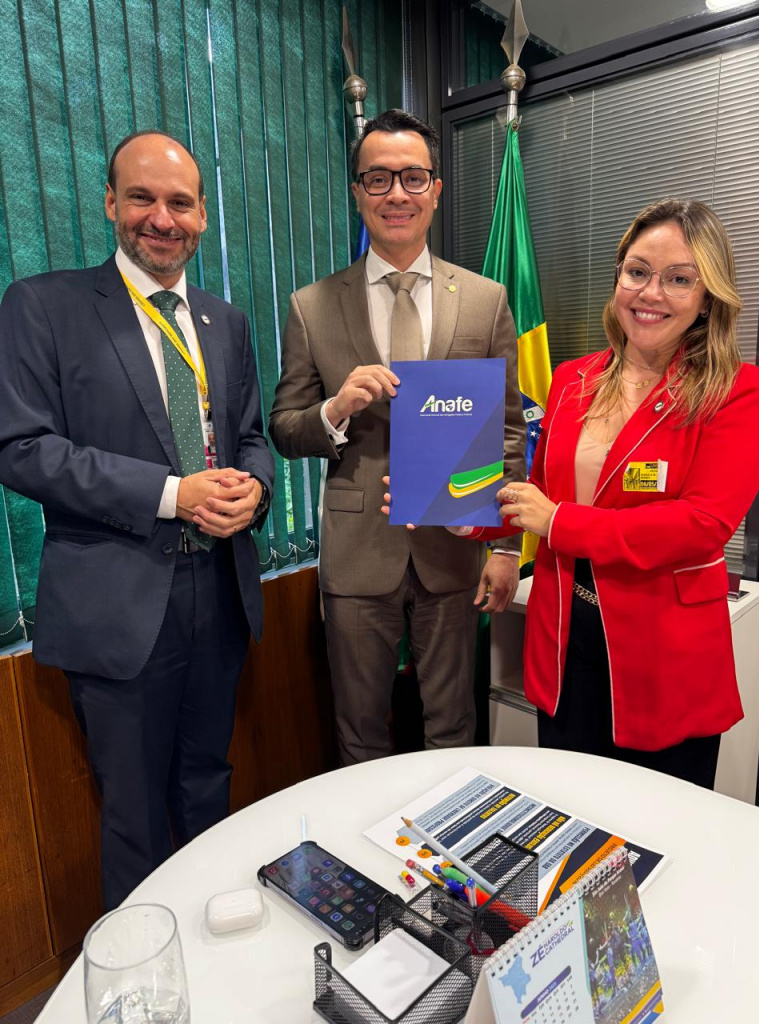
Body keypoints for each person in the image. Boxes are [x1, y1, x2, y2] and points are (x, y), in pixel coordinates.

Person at [0, 131, 274, 908]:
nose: (162, 218)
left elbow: (250, 437)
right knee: (134, 814)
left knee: (208, 783)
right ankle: (147, 960)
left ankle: (216, 940)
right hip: (118, 607)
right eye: (142, 198)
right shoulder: (43, 306)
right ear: (110, 203)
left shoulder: (226, 321)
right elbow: (20, 448)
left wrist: (254, 492)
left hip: (219, 592)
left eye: (180, 202)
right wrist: (171, 493)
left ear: (202, 215)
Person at [468, 198, 759, 789]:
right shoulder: (571, 379)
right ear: (618, 277)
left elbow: (701, 524)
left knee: (657, 831)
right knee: (570, 814)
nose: (650, 293)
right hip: (564, 640)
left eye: (679, 279)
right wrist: (460, 515)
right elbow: (538, 494)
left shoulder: (739, 391)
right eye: (637, 272)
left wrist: (560, 523)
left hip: (663, 656)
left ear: (708, 297)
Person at [270, 109, 527, 765]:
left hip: (453, 547)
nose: (396, 194)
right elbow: (285, 428)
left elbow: (507, 430)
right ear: (358, 191)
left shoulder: (486, 300)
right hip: (359, 553)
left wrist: (505, 547)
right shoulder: (311, 306)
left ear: (435, 189)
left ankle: (448, 833)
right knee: (358, 732)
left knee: (453, 726)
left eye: (413, 177)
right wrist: (335, 409)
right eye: (378, 178)